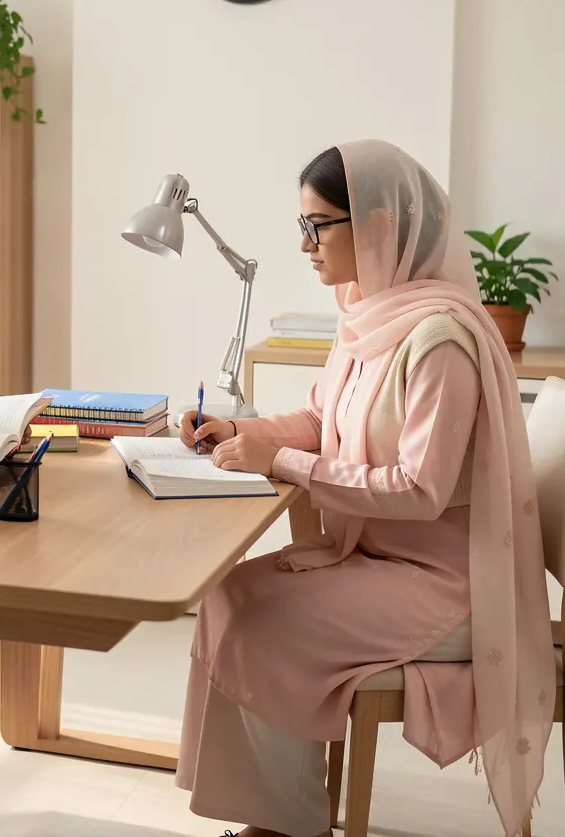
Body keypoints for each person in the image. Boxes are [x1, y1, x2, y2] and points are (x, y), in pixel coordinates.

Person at [176, 141, 555, 837]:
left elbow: (420, 492)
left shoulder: (440, 340)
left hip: (449, 587)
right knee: (228, 592)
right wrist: (241, 428)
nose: (303, 245)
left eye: (318, 226)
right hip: (381, 564)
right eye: (303, 225)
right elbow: (324, 419)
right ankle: (279, 815)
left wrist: (279, 463)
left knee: (263, 620)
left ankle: (286, 827)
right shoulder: (368, 315)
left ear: (377, 227)